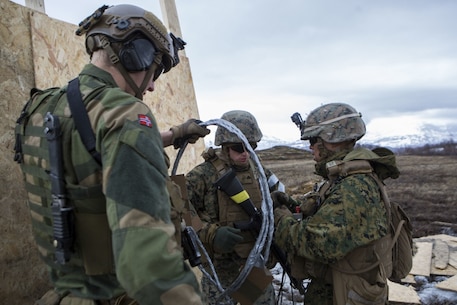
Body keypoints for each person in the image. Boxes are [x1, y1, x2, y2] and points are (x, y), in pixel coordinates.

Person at [13, 4, 209, 305]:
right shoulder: (126, 113)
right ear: (136, 53)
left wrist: (175, 135)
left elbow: (96, 147)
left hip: (66, 291)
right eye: (154, 69)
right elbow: (149, 264)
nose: (154, 86)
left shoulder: (44, 106)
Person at [272, 103, 400, 305]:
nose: (310, 146)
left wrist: (281, 220)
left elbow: (319, 243)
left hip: (343, 294)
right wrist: (290, 203)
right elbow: (329, 213)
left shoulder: (354, 187)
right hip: (336, 289)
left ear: (330, 141)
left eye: (314, 140)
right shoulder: (343, 178)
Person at [185, 110, 285, 305]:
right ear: (224, 146)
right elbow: (175, 209)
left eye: (251, 147)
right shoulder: (202, 175)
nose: (246, 153)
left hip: (254, 265)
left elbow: (281, 197)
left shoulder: (260, 172)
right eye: (239, 148)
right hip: (220, 271)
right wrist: (210, 233)